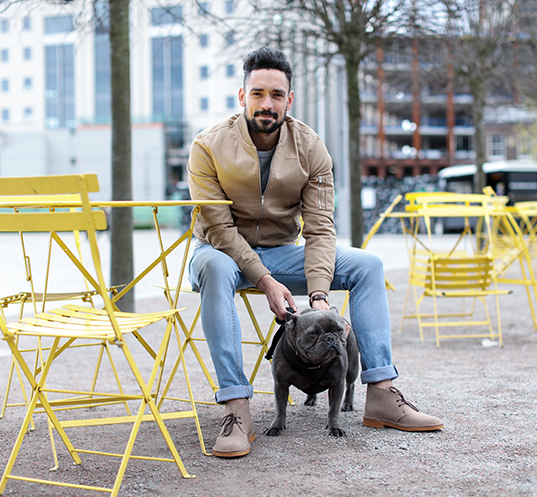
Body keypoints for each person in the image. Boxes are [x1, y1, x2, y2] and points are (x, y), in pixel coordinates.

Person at [187, 47, 443, 458]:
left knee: (368, 264)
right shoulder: (208, 146)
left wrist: (320, 294)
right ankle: (237, 409)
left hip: (282, 252)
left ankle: (380, 392)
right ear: (241, 96)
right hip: (220, 253)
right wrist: (265, 281)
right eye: (257, 94)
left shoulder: (311, 146)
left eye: (276, 94)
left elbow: (321, 229)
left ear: (290, 99)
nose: (266, 103)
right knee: (217, 269)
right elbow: (218, 228)